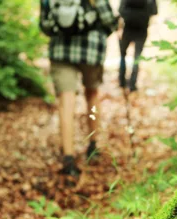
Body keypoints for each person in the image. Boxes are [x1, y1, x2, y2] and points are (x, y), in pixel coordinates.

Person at [39, 0, 118, 179]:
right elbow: (110, 22)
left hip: (60, 50)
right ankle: (93, 143)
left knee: (66, 102)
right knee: (92, 94)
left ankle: (68, 158)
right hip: (90, 51)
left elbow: (45, 26)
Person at [118, 0, 158, 92]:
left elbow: (121, 10)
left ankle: (122, 81)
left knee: (123, 55)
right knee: (137, 57)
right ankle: (132, 84)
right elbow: (154, 12)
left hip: (128, 28)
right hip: (142, 29)